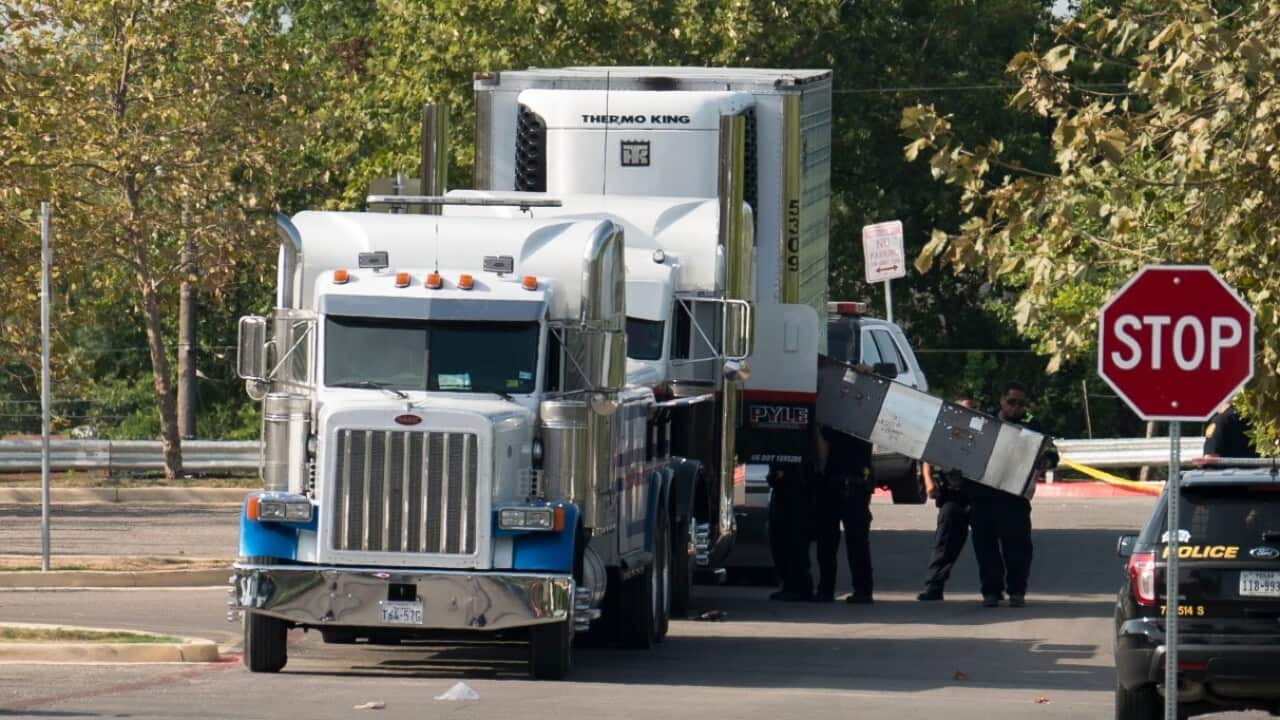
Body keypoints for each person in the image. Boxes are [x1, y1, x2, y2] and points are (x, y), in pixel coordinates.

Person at [969, 381, 1038, 608]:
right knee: (986, 549)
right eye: (1011, 402)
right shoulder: (986, 422)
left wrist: (1042, 459)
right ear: (1001, 400)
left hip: (1014, 498)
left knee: (1018, 549)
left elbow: (1051, 455)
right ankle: (991, 591)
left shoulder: (1032, 428)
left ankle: (1017, 591)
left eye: (1021, 404)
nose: (1016, 408)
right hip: (985, 496)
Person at [917, 397, 979, 602]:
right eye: (963, 410)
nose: (967, 414)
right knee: (944, 544)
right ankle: (934, 587)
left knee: (987, 546)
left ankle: (993, 591)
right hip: (953, 496)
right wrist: (929, 482)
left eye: (972, 410)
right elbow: (928, 457)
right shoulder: (946, 433)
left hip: (980, 497)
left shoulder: (983, 435)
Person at [816, 423, 875, 604]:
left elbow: (823, 454)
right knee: (857, 543)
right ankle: (863, 591)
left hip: (834, 485)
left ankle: (826, 591)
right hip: (856, 487)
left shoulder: (830, 423)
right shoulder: (864, 424)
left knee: (827, 543)